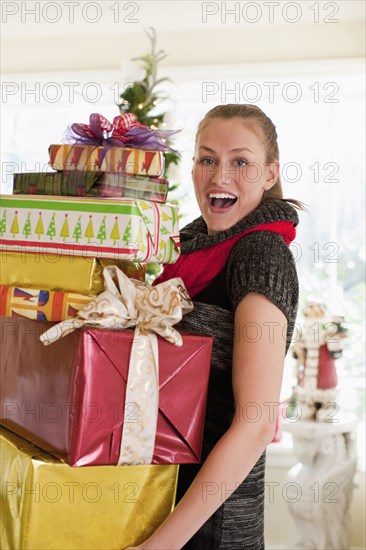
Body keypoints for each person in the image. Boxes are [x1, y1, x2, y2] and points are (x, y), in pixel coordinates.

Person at [125, 103, 302, 550]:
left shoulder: (260, 253)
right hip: (155, 499)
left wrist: (162, 544)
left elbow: (258, 421)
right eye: (208, 159)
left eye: (240, 161)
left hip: (206, 526)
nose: (220, 175)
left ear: (269, 173)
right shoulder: (184, 250)